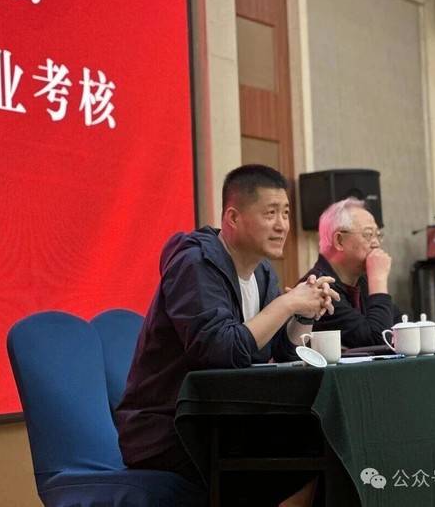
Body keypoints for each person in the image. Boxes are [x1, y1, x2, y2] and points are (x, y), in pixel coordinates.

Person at [115, 164, 338, 504]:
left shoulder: (262, 272)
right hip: (170, 429)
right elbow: (221, 351)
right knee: (310, 444)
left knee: (328, 434)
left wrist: (304, 315)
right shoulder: (195, 264)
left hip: (224, 418)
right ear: (233, 217)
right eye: (270, 213)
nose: (282, 225)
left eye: (285, 213)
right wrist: (287, 303)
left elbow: (279, 351)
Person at [300, 197, 399, 348]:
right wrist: (378, 280)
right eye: (368, 235)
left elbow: (401, 329)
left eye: (378, 235)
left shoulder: (362, 282)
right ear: (339, 241)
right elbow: (379, 342)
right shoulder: (319, 288)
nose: (376, 243)